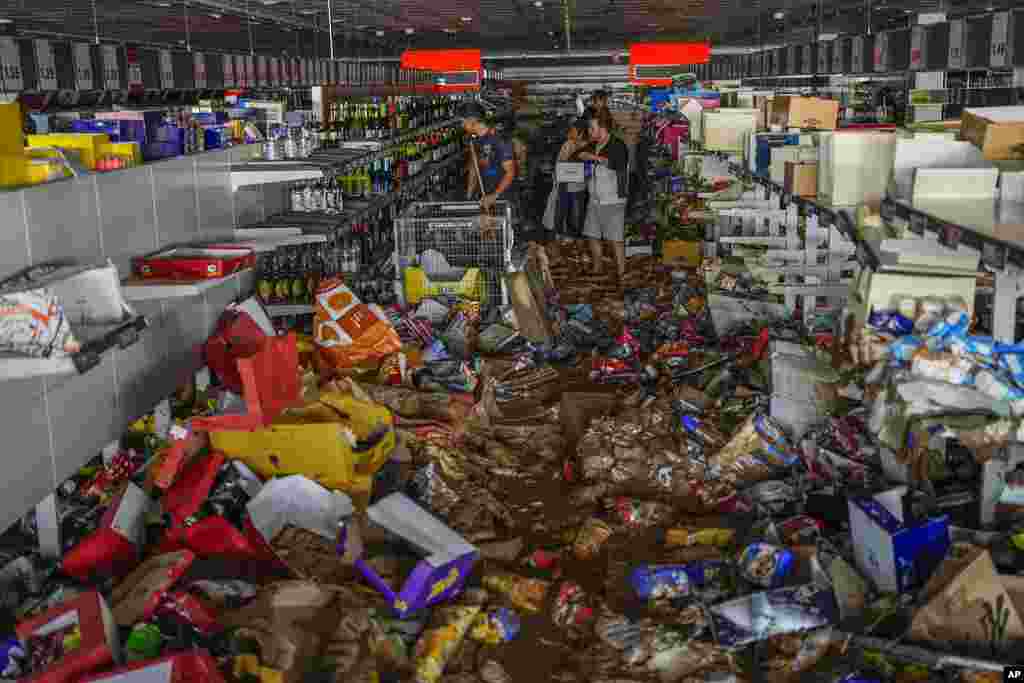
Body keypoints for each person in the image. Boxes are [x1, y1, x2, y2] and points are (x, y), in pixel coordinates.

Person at [578, 111, 629, 280]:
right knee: (592, 234)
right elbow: (580, 157)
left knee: (615, 238)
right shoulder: (593, 145)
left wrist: (594, 157)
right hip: (594, 199)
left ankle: (622, 273)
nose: (590, 132)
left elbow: (618, 164)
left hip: (613, 199)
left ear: (603, 127)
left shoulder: (617, 145)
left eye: (592, 128)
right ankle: (597, 267)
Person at [460, 103, 516, 213]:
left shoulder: (499, 139)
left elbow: (510, 172)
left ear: (472, 120)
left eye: (462, 121)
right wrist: (469, 196)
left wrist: (494, 195)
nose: (461, 125)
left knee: (500, 228)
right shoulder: (474, 140)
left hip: (501, 198)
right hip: (483, 196)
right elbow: (474, 168)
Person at [549, 118, 591, 239]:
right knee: (562, 215)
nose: (570, 132)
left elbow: (588, 172)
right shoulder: (567, 144)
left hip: (578, 189)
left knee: (577, 217)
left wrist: (567, 171)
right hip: (564, 186)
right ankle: (563, 238)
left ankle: (577, 240)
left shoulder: (588, 148)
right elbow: (559, 165)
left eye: (573, 130)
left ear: (581, 133)